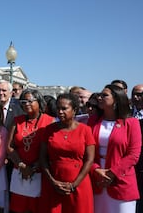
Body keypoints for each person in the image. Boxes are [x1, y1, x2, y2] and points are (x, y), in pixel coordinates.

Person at [40, 93, 95, 213]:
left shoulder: (85, 130)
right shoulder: (49, 130)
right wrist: (52, 181)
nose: (60, 112)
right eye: (58, 108)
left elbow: (89, 160)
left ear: (74, 110)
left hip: (79, 183)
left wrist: (74, 184)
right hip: (54, 183)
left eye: (64, 108)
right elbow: (43, 158)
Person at [90, 84, 141, 213]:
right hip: (97, 181)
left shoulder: (131, 123)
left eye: (105, 95)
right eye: (100, 95)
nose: (100, 98)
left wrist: (111, 173)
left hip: (121, 181)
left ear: (117, 99)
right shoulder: (93, 121)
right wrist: (96, 170)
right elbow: (85, 151)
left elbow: (133, 154)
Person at [7, 89, 55, 213]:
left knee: (38, 208)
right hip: (19, 172)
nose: (26, 104)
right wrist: (22, 166)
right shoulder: (17, 121)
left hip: (41, 173)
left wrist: (33, 168)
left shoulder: (50, 121)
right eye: (23, 101)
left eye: (30, 101)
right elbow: (9, 147)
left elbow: (51, 149)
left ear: (39, 102)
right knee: (18, 208)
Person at [131, 84, 143, 213]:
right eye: (134, 94)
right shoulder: (125, 114)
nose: (135, 97)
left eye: (140, 95)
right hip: (131, 169)